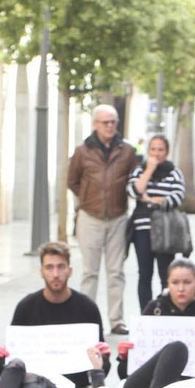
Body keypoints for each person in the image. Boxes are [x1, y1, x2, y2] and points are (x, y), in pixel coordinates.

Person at [0, 242, 110, 388]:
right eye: (49, 267)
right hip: (34, 386)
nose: (55, 274)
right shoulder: (26, 307)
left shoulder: (87, 308)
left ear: (70, 270)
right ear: (41, 271)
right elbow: (12, 362)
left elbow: (101, 364)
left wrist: (104, 356)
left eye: (61, 267)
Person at [66, 104, 138, 333]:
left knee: (116, 271)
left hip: (117, 217)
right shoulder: (82, 151)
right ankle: (87, 318)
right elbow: (73, 181)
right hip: (90, 216)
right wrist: (88, 200)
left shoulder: (126, 150)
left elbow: (133, 179)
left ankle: (116, 320)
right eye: (105, 122)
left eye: (113, 122)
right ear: (95, 124)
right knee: (90, 271)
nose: (110, 126)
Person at [115, 259, 195, 388]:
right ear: (167, 283)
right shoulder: (154, 309)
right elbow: (128, 370)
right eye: (175, 282)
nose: (181, 289)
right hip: (159, 385)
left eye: (187, 282)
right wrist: (125, 356)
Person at [127, 134, 188, 308]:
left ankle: (166, 310)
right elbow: (134, 190)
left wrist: (151, 200)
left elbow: (177, 197)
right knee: (144, 274)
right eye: (153, 149)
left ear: (167, 152)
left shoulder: (174, 172)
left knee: (166, 274)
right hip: (142, 229)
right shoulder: (140, 170)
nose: (156, 153)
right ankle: (146, 314)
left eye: (160, 149)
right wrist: (149, 171)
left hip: (166, 231)